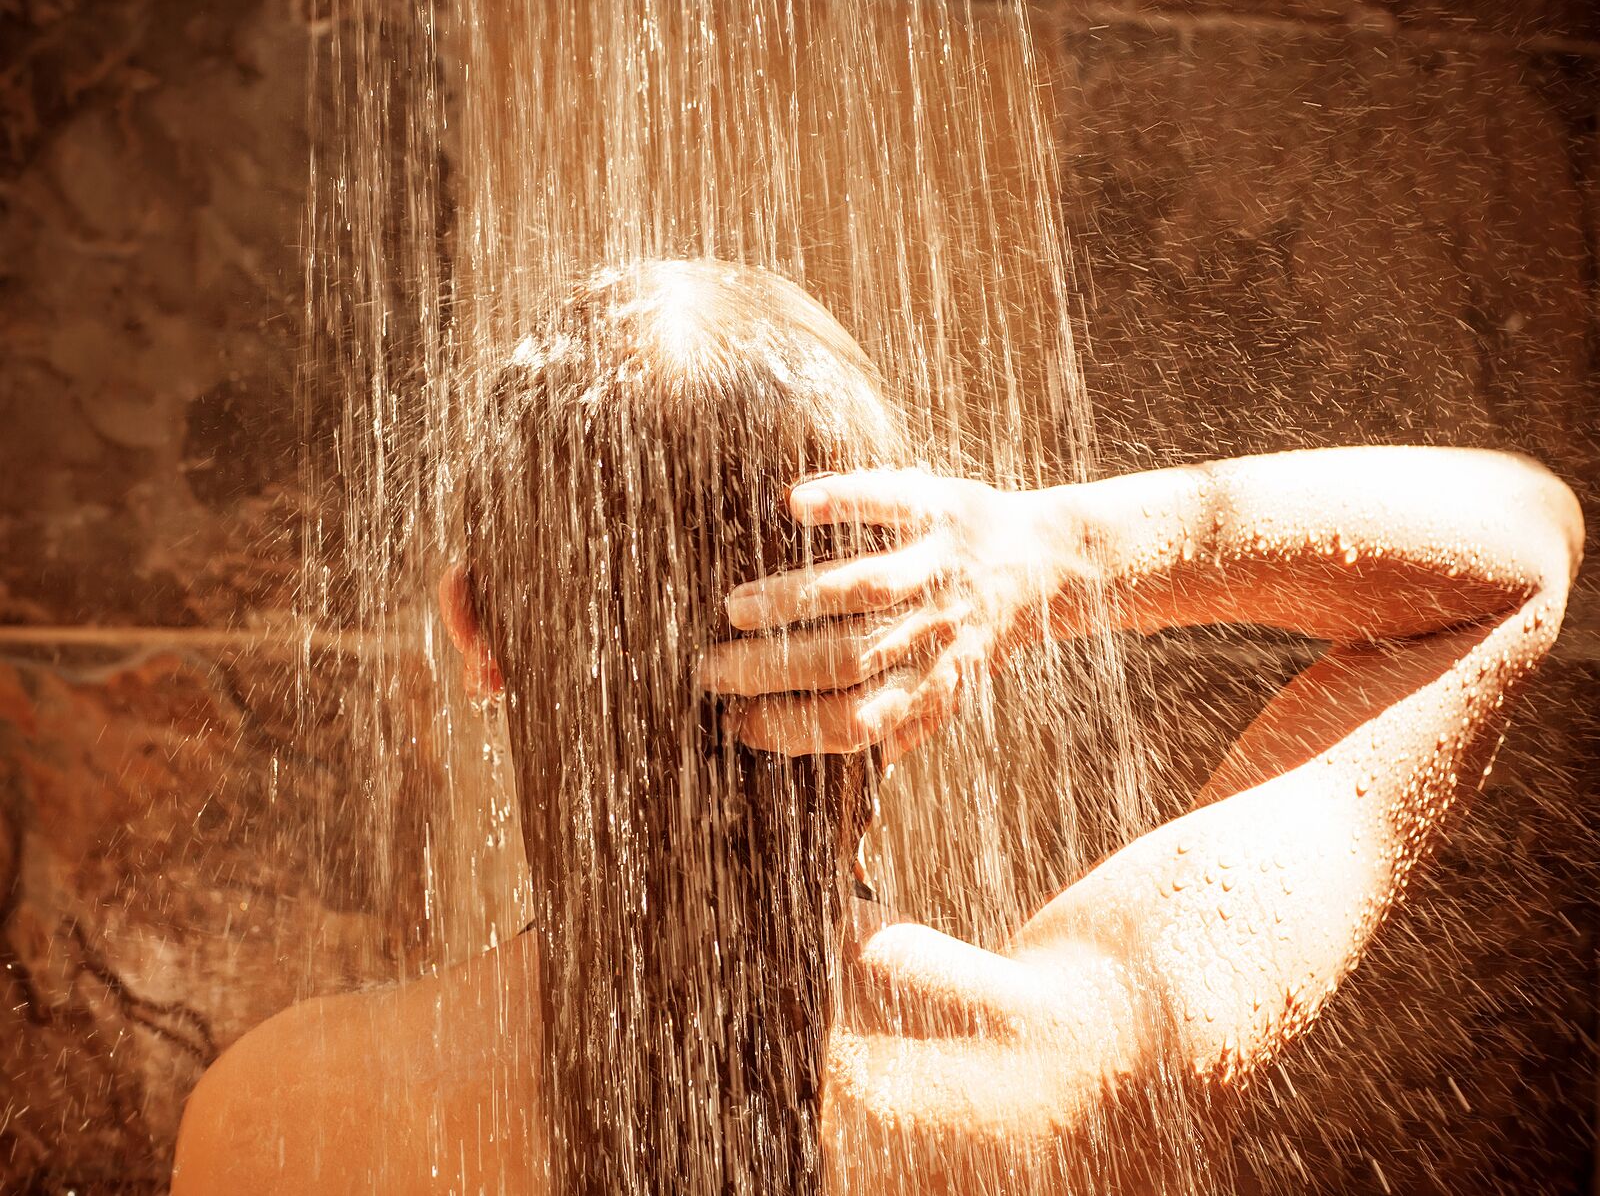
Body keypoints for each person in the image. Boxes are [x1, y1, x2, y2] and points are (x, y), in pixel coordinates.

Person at [170, 259, 1582, 1195]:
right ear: (911, 637)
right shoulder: (1080, 1074)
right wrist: (1051, 556)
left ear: (475, 631)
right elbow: (1521, 547)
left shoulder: (274, 1126)